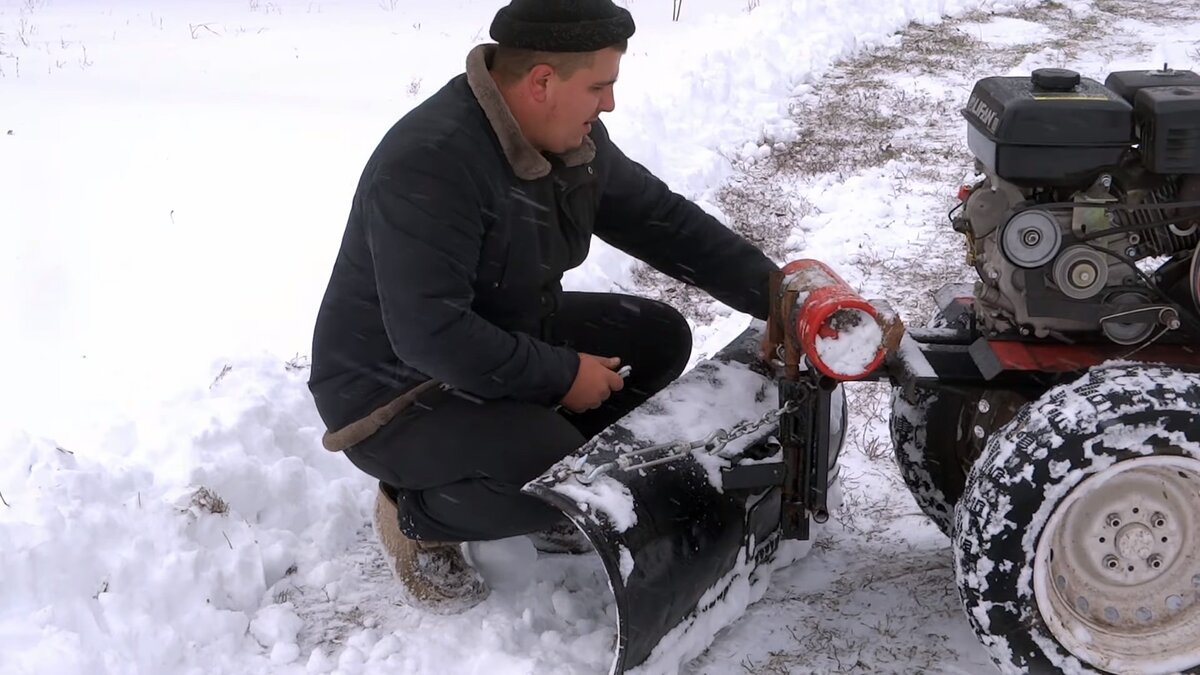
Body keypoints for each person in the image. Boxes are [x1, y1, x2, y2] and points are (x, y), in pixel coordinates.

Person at [307, 0, 779, 614]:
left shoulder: (565, 134)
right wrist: (560, 375)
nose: (608, 104)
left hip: (497, 333)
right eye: (600, 87)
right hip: (393, 390)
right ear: (542, 83)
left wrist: (777, 295)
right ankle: (416, 509)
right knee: (553, 473)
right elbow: (429, 333)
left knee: (656, 337)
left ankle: (539, 469)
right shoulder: (431, 162)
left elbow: (660, 220)